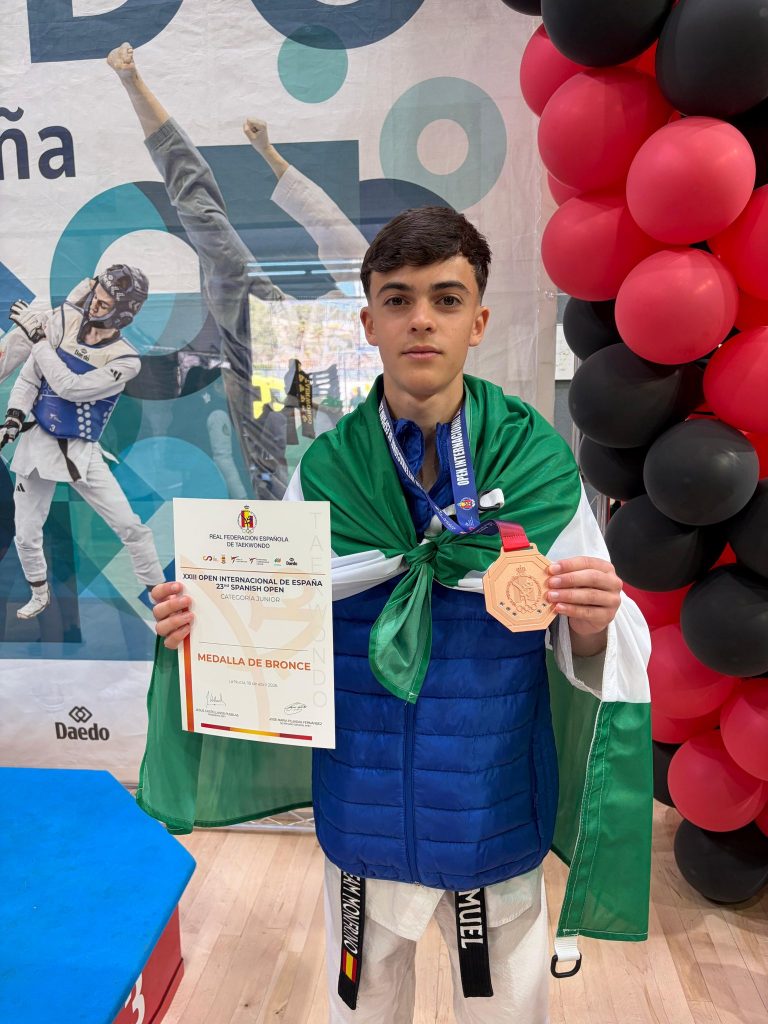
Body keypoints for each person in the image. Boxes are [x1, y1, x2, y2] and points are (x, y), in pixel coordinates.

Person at [148, 208, 652, 1022]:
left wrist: (591, 620)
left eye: (446, 299)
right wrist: (201, 622)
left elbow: (586, 635)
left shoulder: (534, 461)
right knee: (364, 1007)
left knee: (505, 1012)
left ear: (477, 321)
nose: (422, 319)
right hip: (364, 805)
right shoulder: (329, 471)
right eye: (398, 299)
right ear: (368, 323)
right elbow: (277, 614)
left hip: (491, 806)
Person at [106, 42, 369, 495]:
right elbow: (326, 224)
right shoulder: (285, 315)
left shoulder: (382, 320)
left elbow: (331, 230)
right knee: (205, 221)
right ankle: (133, 81)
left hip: (326, 366)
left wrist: (268, 152)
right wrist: (268, 153)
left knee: (302, 468)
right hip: (279, 329)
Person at [0, 266, 165, 619]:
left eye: (104, 305)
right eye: (95, 298)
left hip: (81, 450)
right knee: (26, 533)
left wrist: (39, 341)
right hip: (37, 442)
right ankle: (39, 592)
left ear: (123, 314)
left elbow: (70, 388)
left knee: (129, 525)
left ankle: (159, 594)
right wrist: (13, 419)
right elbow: (30, 378)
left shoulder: (126, 359)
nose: (94, 306)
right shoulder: (64, 320)